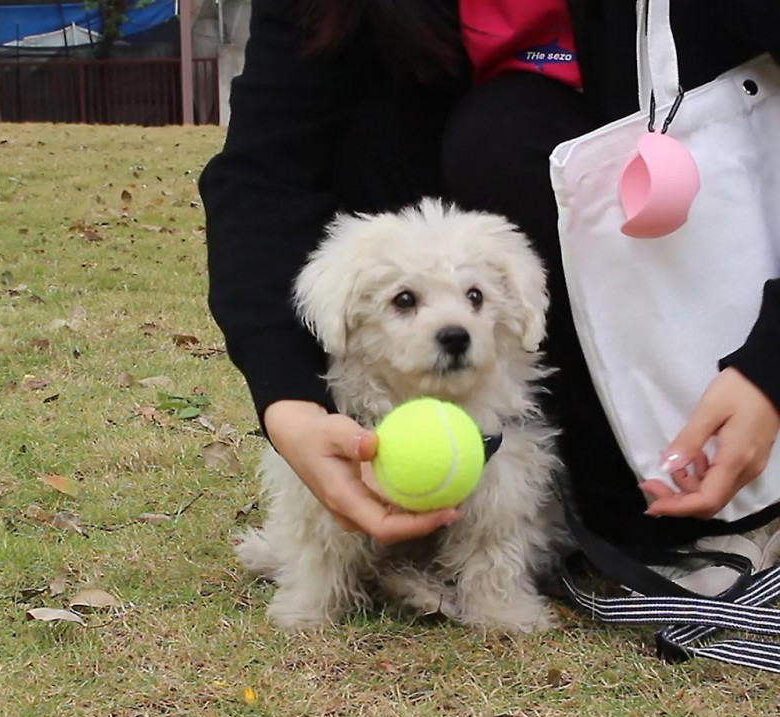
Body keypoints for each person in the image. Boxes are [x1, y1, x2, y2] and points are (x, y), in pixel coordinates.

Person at [200, 0, 780, 551]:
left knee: (504, 131)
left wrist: (767, 368)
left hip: (700, 241)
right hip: (484, 262)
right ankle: (464, 467)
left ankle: (651, 502)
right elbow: (264, 172)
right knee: (384, 124)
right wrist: (289, 399)